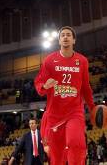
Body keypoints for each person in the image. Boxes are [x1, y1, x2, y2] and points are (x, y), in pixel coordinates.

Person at [34, 26, 95, 165]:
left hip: (75, 111)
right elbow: (39, 82)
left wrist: (92, 107)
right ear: (59, 40)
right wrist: (45, 86)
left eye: (68, 35)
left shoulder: (82, 61)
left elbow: (86, 87)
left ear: (74, 40)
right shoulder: (49, 60)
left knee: (76, 143)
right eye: (63, 35)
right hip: (55, 114)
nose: (65, 37)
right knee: (57, 158)